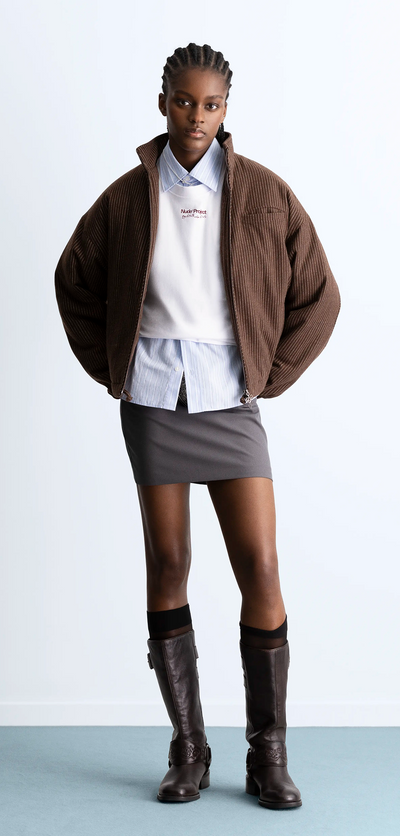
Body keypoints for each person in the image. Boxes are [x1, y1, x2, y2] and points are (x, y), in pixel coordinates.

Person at [55, 43, 341, 809]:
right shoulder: (127, 197)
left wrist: (269, 373)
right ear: (163, 103)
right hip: (153, 399)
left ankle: (268, 755)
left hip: (229, 400)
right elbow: (73, 279)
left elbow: (320, 294)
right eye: (184, 101)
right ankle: (189, 748)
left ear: (225, 110)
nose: (196, 116)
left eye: (211, 104)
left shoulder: (265, 194)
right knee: (168, 563)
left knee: (262, 568)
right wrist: (114, 366)